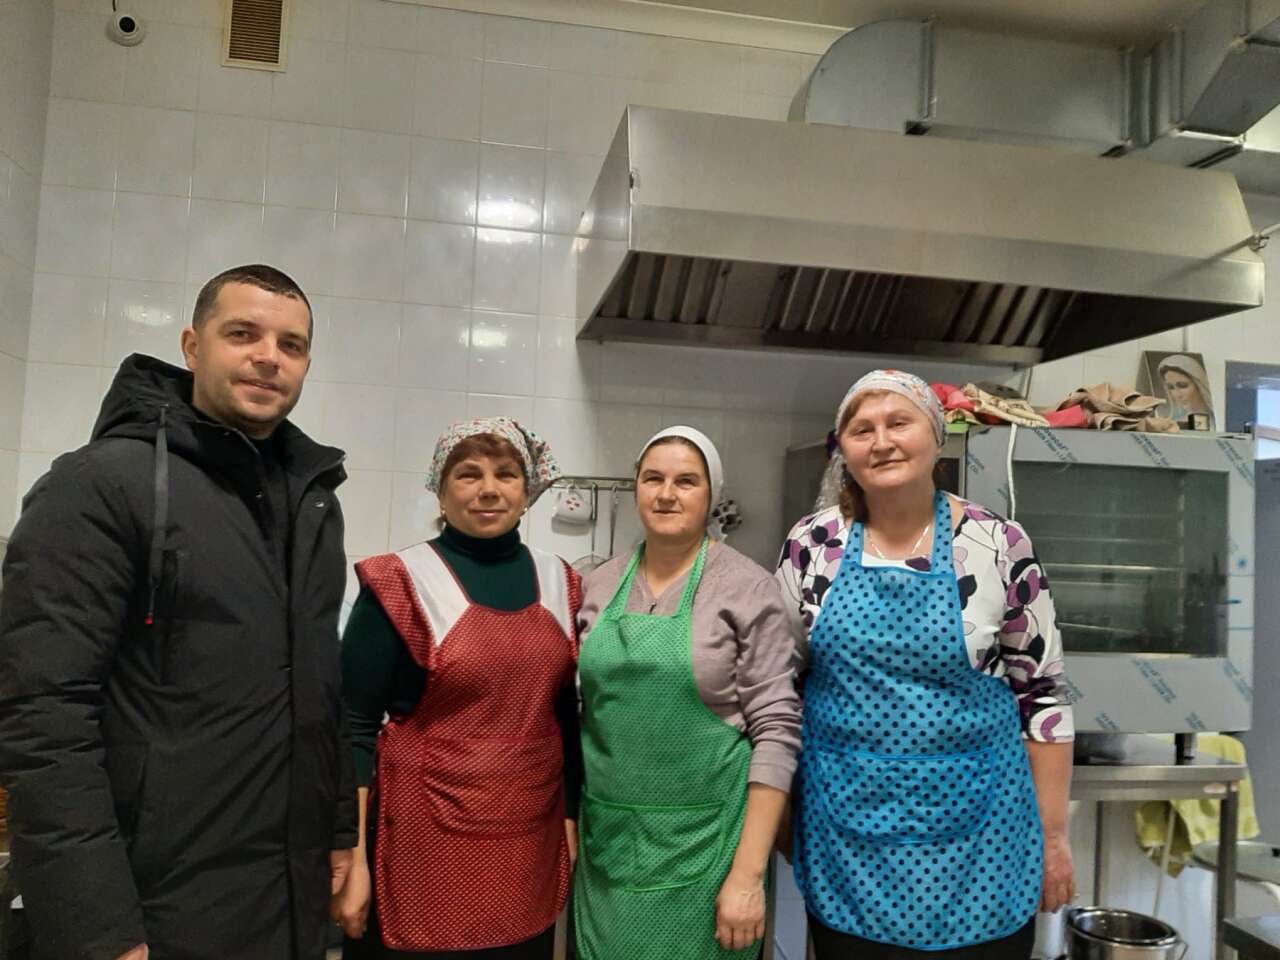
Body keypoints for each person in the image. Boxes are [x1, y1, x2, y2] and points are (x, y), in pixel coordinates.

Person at [0, 264, 355, 960]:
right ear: (193, 346)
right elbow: (43, 718)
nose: (269, 357)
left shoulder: (314, 503)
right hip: (151, 910)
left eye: (291, 344)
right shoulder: (99, 484)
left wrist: (339, 831)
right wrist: (95, 928)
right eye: (243, 334)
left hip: (284, 902)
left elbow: (321, 691)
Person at [777, 369, 1075, 959]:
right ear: (844, 450)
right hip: (848, 840)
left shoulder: (996, 543)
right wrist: (785, 816)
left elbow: (1042, 695)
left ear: (936, 437)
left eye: (899, 423)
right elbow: (780, 685)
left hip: (983, 843)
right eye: (862, 429)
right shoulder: (811, 544)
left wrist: (1054, 838)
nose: (881, 442)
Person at [333, 418, 580, 959]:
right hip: (419, 845)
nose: (488, 489)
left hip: (526, 847)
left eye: (506, 474)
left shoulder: (561, 582)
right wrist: (351, 858)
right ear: (440, 492)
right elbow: (352, 726)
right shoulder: (400, 580)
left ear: (527, 490)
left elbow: (564, 716)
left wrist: (570, 816)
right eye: (468, 474)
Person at [574, 427, 802, 960]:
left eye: (686, 481)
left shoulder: (747, 588)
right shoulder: (599, 583)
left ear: (711, 495)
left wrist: (747, 877)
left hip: (708, 852)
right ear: (636, 487)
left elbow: (776, 731)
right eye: (652, 479)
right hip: (607, 847)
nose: (666, 494)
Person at [1157, 354, 1214, 427]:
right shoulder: (1172, 425)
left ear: (1199, 385)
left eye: (1183, 385)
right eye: (1171, 387)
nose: (1177, 394)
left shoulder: (1220, 420)